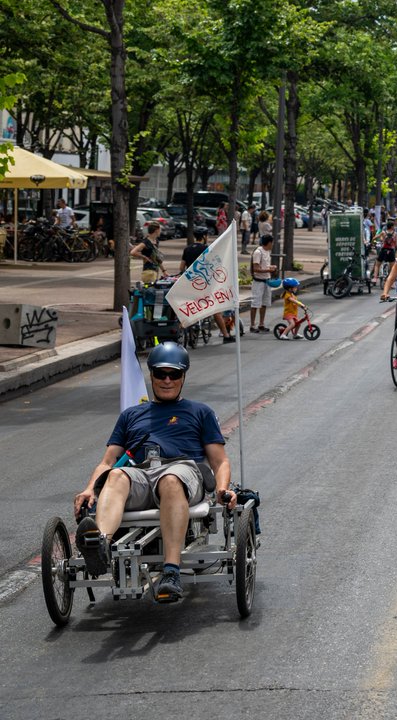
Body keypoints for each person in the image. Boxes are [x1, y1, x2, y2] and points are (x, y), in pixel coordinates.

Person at [72, 342, 236, 603]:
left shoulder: (200, 412)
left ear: (183, 377)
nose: (167, 380)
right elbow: (108, 461)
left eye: (174, 374)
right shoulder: (131, 415)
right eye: (161, 374)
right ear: (151, 375)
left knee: (170, 480)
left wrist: (222, 488)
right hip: (141, 474)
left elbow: (220, 461)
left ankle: (171, 572)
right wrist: (89, 488)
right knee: (115, 475)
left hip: (183, 471)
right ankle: (100, 547)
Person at [249, 234, 276, 332]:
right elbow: (256, 269)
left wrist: (271, 267)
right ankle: (252, 325)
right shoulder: (258, 252)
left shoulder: (267, 252)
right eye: (272, 242)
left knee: (264, 303)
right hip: (258, 282)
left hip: (266, 281)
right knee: (255, 303)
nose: (273, 244)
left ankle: (261, 323)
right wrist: (269, 270)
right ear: (269, 243)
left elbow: (264, 265)